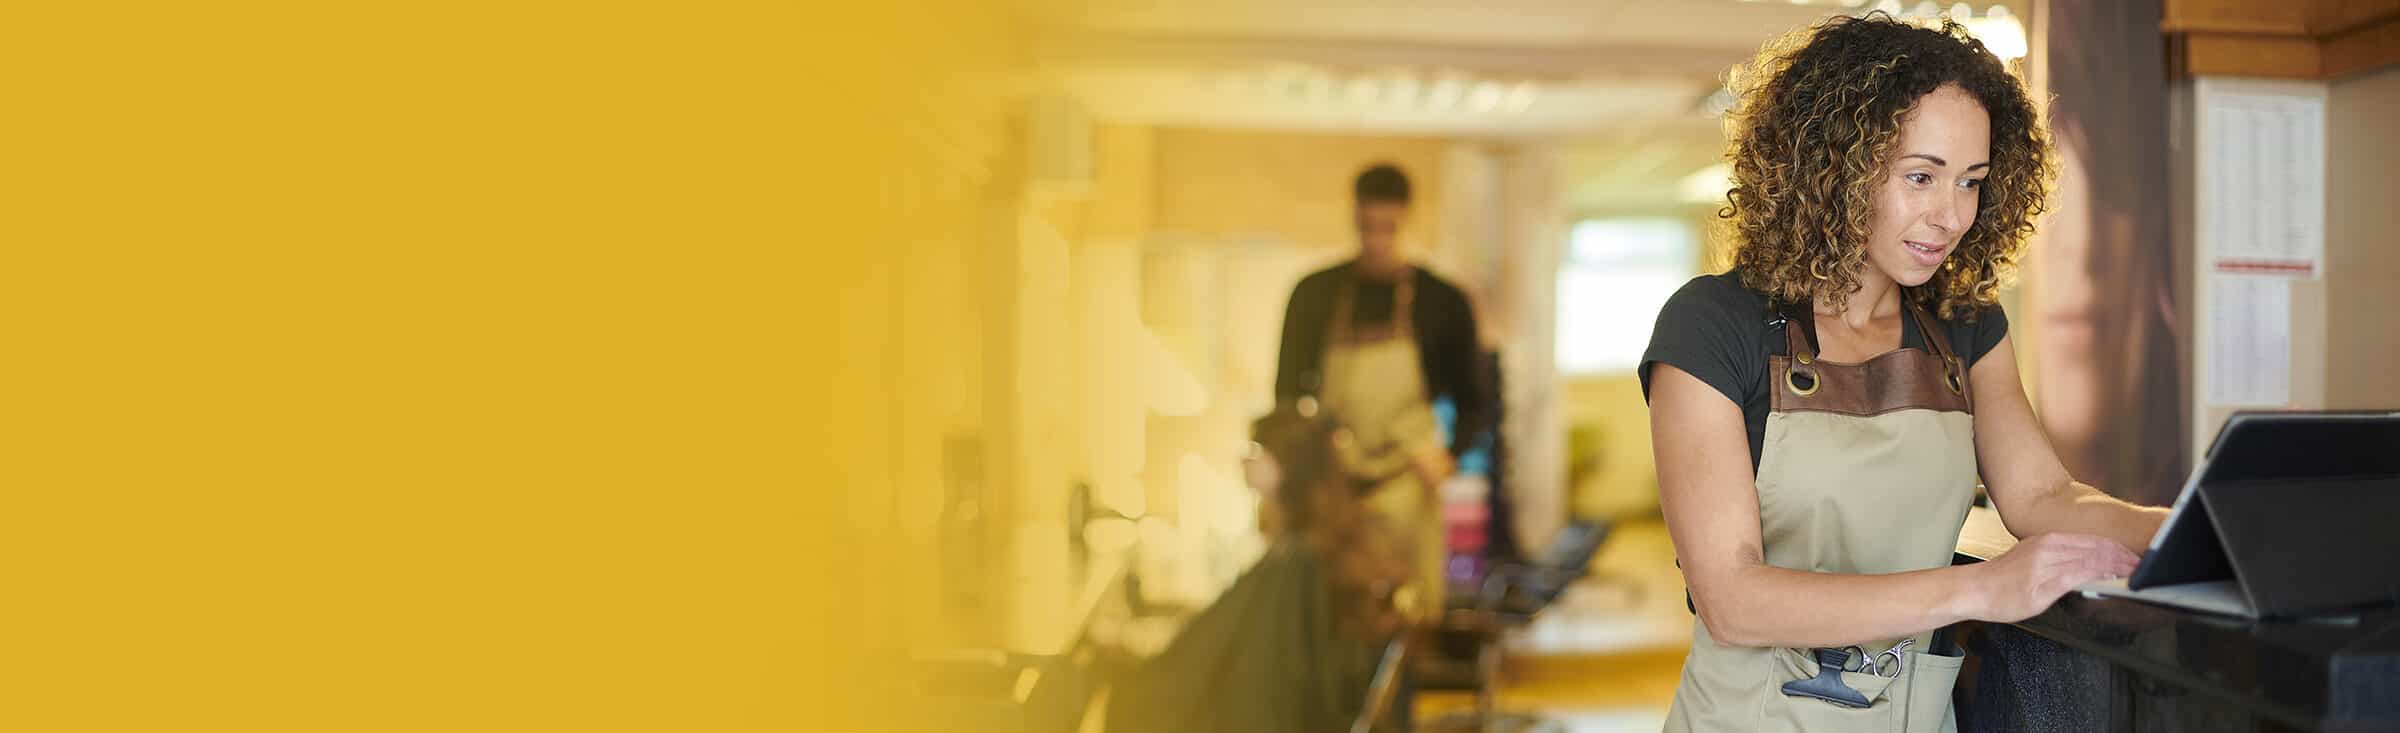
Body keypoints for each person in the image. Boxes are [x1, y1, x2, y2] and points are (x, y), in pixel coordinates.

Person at [1639, 14, 2170, 732]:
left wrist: (2178, 528)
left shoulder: (1964, 325)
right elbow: (1735, 600)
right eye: (1921, 176)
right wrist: (1980, 589)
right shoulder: (1712, 326)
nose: (1950, 216)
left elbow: (2043, 493)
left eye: (1971, 183)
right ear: (1833, 168)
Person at [1103, 404, 1411, 733]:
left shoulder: (1297, 561)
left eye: (1257, 451)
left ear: (1288, 464)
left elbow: (1243, 669)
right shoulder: (1311, 550)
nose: (1244, 462)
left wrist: (1138, 669)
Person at [1274, 162, 1492, 621]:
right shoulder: (1313, 295)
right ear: (1353, 217)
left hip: (1407, 482)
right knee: (1336, 614)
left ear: (1408, 220)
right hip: (1334, 486)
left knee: (1409, 614)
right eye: (1366, 226)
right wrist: (1291, 472)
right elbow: (1286, 399)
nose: (1376, 240)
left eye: (1387, 227)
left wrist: (1451, 454)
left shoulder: (1442, 301)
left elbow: (1476, 398)